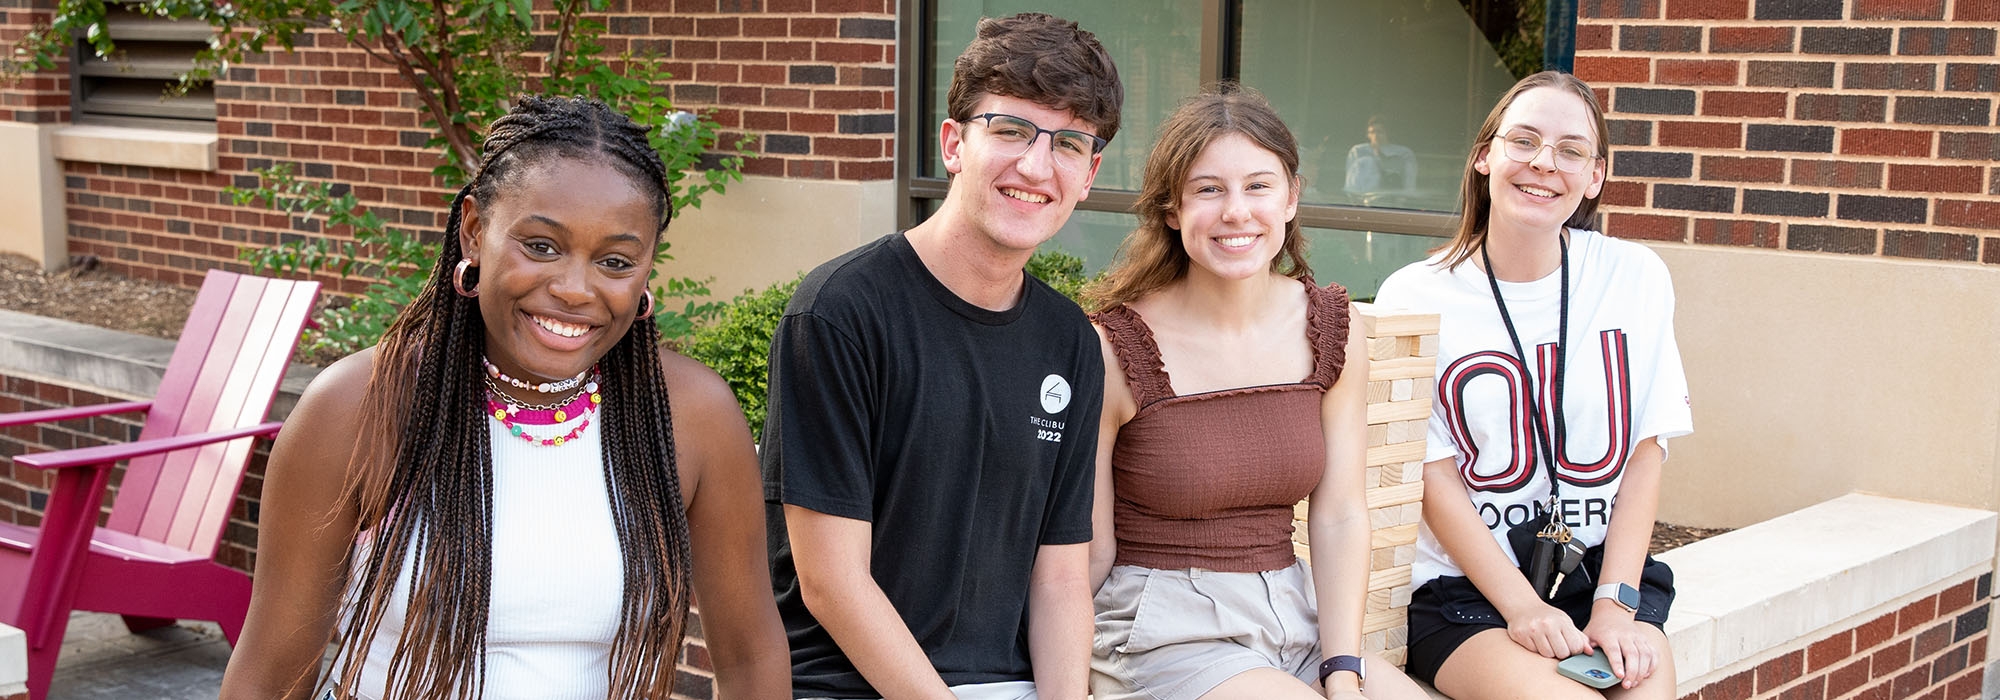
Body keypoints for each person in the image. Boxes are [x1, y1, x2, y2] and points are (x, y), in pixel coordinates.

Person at [218, 96, 790, 700]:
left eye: (616, 261)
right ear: (473, 230)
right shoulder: (359, 407)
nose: (575, 290)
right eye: (541, 246)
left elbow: (751, 656)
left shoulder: (693, 415)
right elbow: (268, 674)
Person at [759, 12, 1120, 700]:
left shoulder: (1070, 340)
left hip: (1008, 684)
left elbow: (1062, 575)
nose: (1036, 167)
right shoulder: (840, 311)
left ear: (1089, 173)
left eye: (1069, 143)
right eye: (1011, 130)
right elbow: (832, 582)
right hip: (846, 686)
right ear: (954, 144)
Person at [1082, 87, 1427, 700]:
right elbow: (1087, 548)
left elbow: (1341, 513)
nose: (1236, 212)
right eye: (1208, 189)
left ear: (1291, 197)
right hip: (1162, 630)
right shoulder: (1115, 346)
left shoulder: (1330, 331)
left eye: (1258, 186)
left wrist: (1345, 665)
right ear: (1171, 209)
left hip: (1293, 617)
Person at [1372, 71, 1692, 699]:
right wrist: (1523, 606)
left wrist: (1615, 605)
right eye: (1524, 141)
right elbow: (1433, 475)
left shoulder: (1635, 277)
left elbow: (1646, 452)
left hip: (1598, 575)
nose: (1544, 163)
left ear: (1594, 177)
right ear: (1485, 156)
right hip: (1467, 589)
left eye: (1571, 150)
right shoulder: (1415, 293)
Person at [1343, 116, 1418, 205]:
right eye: (1372, 132)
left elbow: (1409, 185)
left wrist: (1399, 203)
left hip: (1392, 205)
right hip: (1362, 205)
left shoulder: (1404, 154)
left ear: (1388, 133)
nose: (1375, 135)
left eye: (1380, 132)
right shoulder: (1358, 152)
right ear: (1367, 134)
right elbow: (1351, 184)